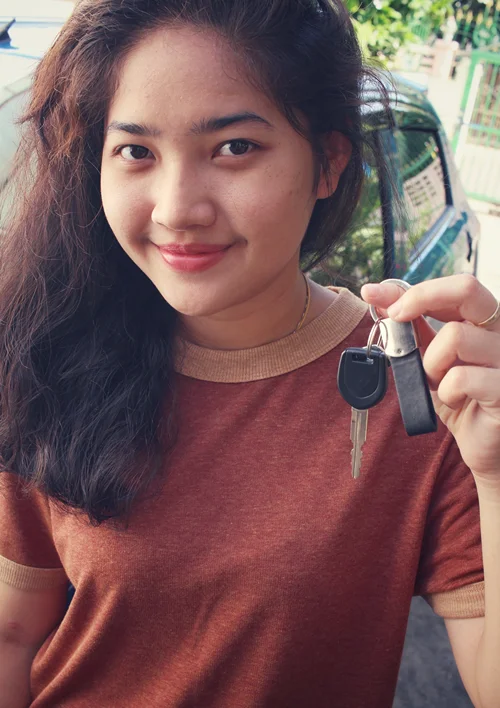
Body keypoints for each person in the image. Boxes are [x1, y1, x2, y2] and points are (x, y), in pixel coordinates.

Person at [0, 1, 499, 706]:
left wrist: (499, 477)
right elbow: (13, 635)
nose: (177, 208)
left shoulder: (421, 386)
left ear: (327, 162)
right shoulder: (49, 350)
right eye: (136, 151)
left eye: (234, 147)